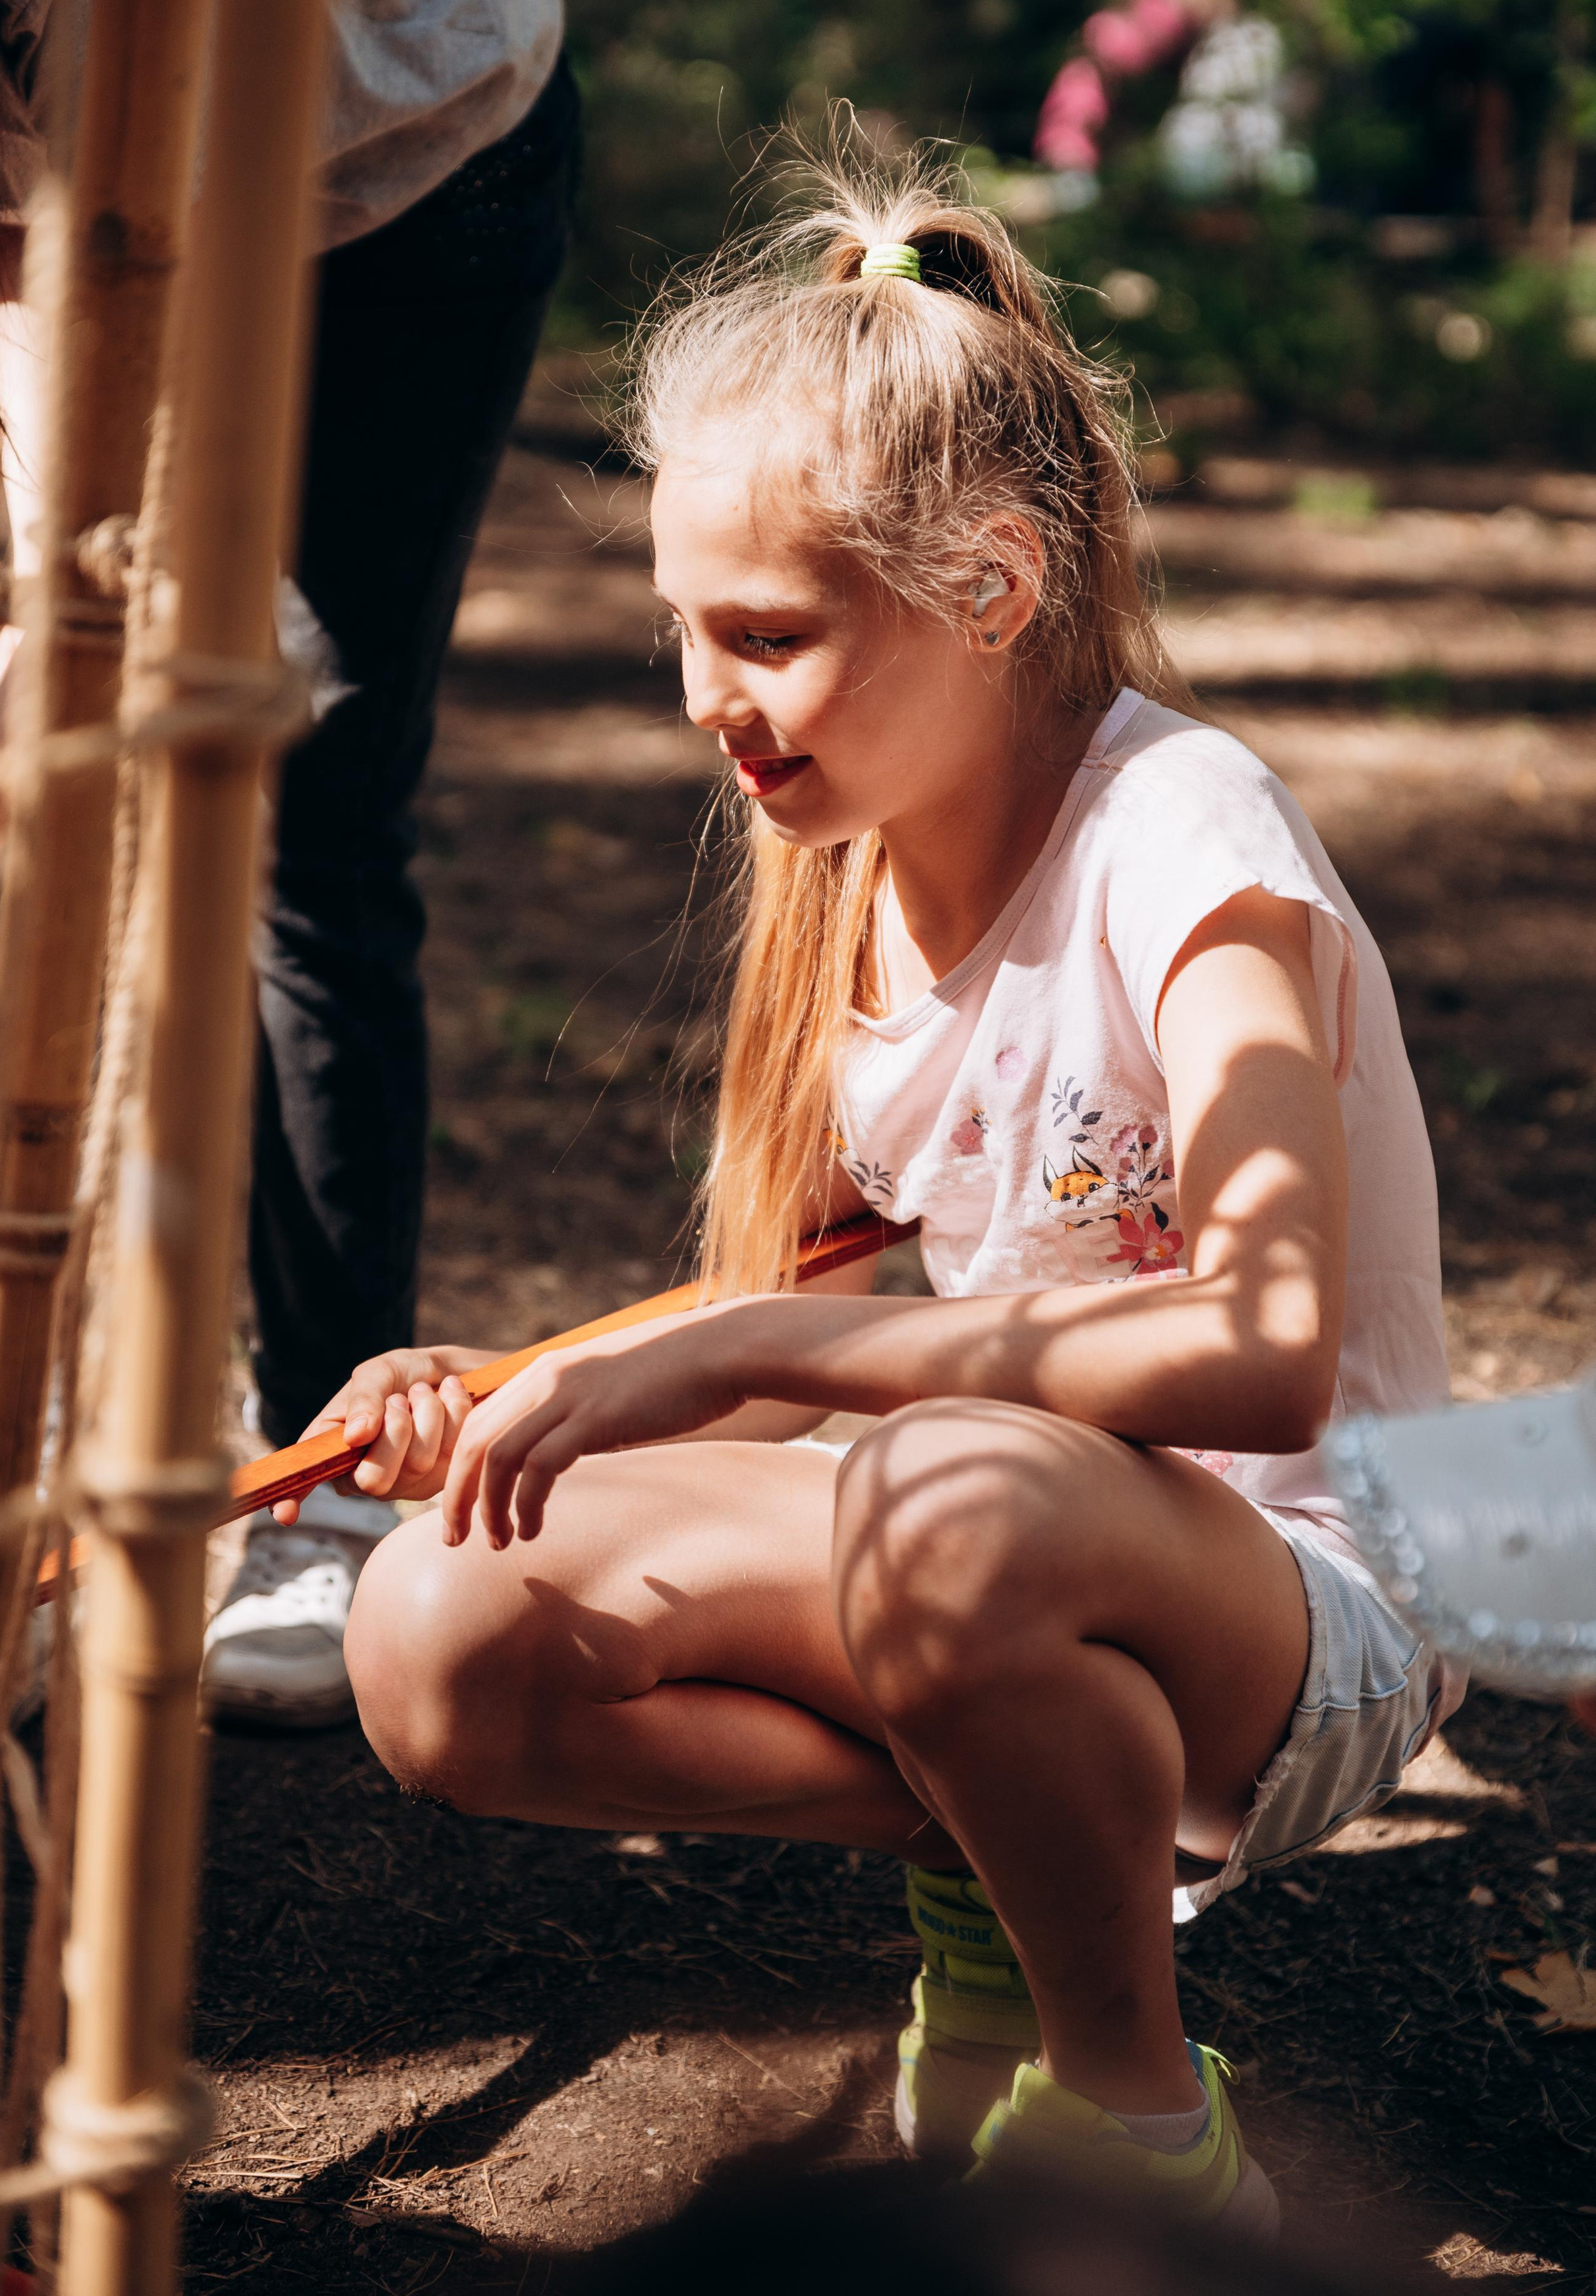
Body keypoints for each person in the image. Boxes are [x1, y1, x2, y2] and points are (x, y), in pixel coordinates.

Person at [279, 148, 1462, 2224]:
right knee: (441, 1621)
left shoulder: (1189, 836)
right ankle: (1018, 1844)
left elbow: (1268, 1355)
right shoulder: (850, 891)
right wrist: (537, 1380)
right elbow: (853, 1320)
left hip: (1305, 1608)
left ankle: (1134, 2126)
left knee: (945, 1488)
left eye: (763, 636)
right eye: (682, 630)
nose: (696, 700)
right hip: (1000, 1547)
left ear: (991, 587)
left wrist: (759, 1340)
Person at [0, 0, 579, 1726]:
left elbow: (150, 541)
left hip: (424, 144)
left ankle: (321, 1482)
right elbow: (30, 254)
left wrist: (20, 712)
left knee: (304, 802)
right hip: (119, 162)